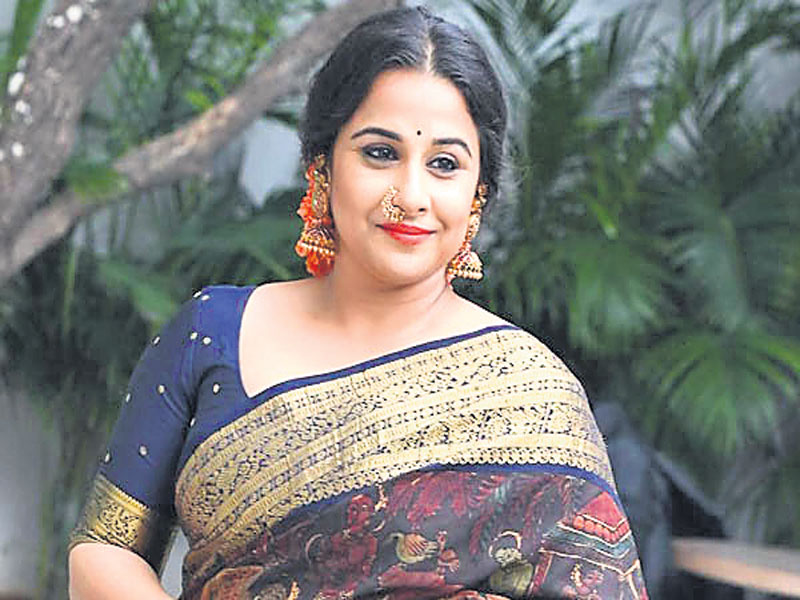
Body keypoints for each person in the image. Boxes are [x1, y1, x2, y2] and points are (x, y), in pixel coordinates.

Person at [68, 6, 649, 600]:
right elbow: (104, 548)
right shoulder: (212, 332)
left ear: (478, 194)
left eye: (444, 164)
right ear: (322, 167)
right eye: (380, 153)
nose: (411, 195)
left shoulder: (532, 393)